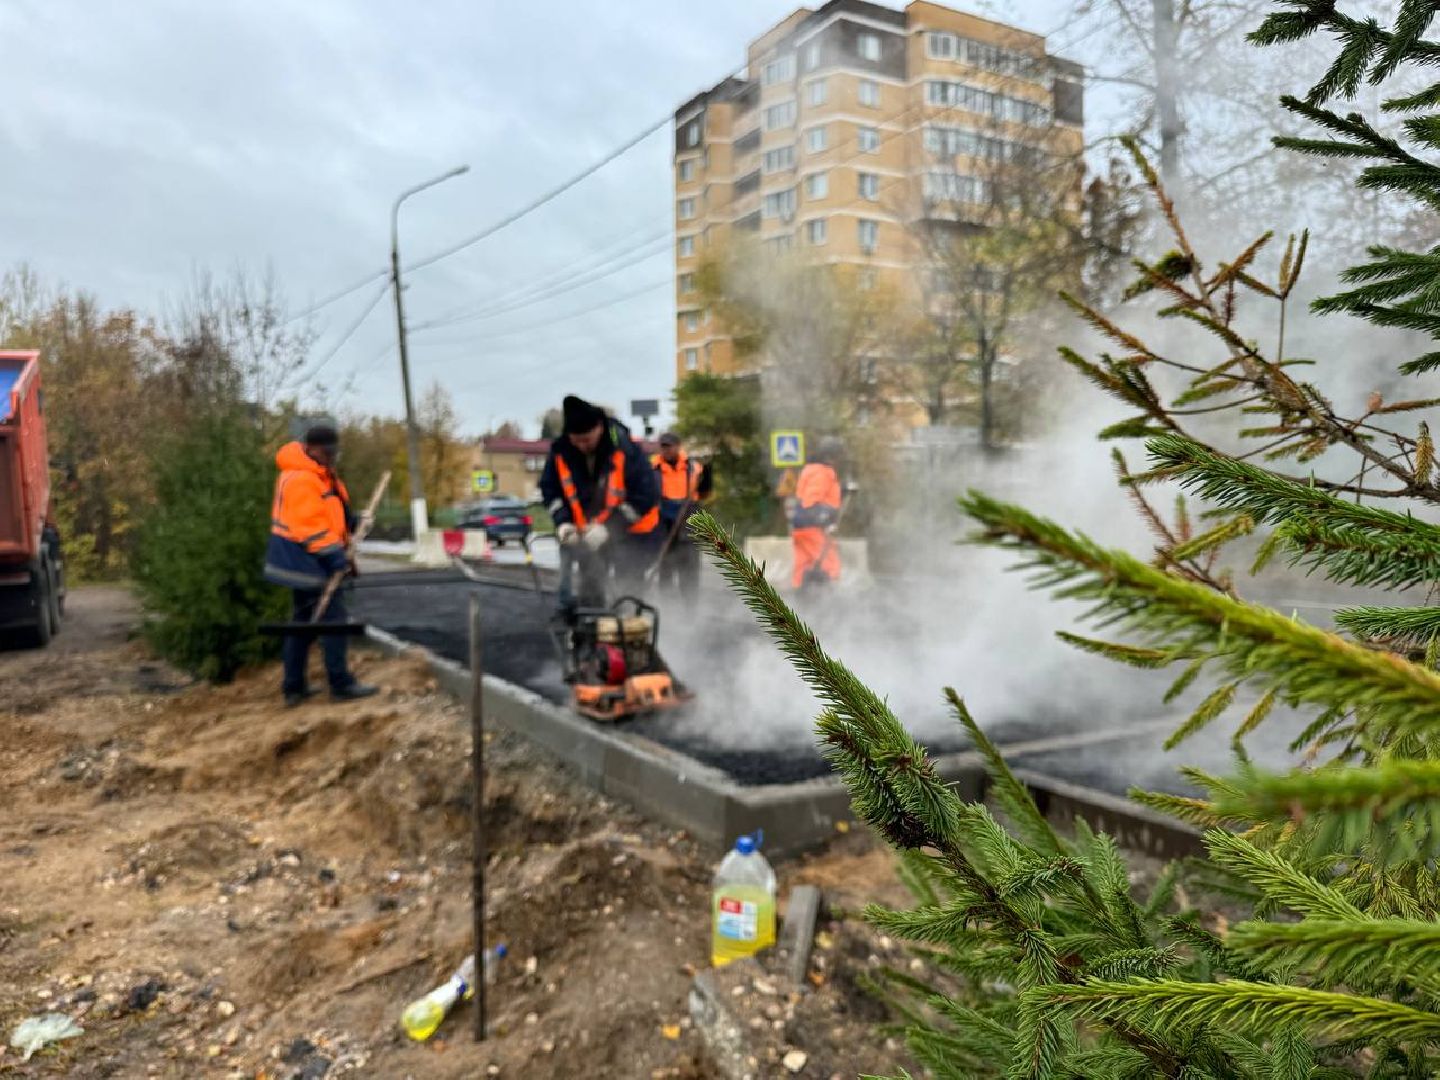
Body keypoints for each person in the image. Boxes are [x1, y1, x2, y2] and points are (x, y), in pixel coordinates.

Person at [263, 425, 379, 707]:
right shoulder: (301, 478)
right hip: (303, 562)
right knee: (334, 622)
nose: (332, 457)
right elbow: (310, 529)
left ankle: (294, 688)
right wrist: (336, 559)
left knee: (303, 624)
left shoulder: (321, 475)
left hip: (308, 561)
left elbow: (331, 514)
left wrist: (355, 522)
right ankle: (341, 685)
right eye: (329, 452)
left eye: (335, 452)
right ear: (313, 449)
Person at [539, 395, 660, 611]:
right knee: (590, 591)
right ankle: (591, 627)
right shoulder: (561, 452)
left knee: (628, 591)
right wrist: (563, 522)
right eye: (577, 441)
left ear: (600, 428)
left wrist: (609, 528)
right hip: (586, 536)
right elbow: (551, 491)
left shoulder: (625, 449)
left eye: (587, 440)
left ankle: (629, 625)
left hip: (630, 534)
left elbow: (645, 495)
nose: (582, 446)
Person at [651, 432, 712, 600]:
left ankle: (690, 608)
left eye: (669, 446)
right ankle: (667, 607)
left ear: (678, 446)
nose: (666, 450)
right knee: (665, 570)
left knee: (689, 572)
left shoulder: (694, 468)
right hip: (663, 525)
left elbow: (705, 493)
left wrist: (708, 473)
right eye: (663, 446)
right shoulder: (652, 468)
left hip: (688, 523)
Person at [790, 439, 842, 589]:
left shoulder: (809, 470)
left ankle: (799, 597)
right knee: (829, 563)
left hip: (800, 525)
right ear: (832, 456)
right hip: (813, 527)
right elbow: (811, 501)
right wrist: (826, 520)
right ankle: (829, 597)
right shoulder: (823, 472)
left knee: (803, 565)